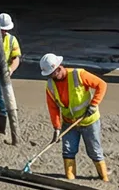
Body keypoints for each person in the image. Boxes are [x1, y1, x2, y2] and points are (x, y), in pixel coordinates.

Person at [41, 53, 108, 182]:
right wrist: (56, 128)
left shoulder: (78, 74)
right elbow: (53, 107)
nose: (51, 77)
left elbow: (102, 85)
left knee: (94, 151)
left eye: (52, 74)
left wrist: (94, 105)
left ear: (59, 68)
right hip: (68, 123)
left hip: (89, 121)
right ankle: (70, 179)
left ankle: (104, 177)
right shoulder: (50, 85)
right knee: (68, 151)